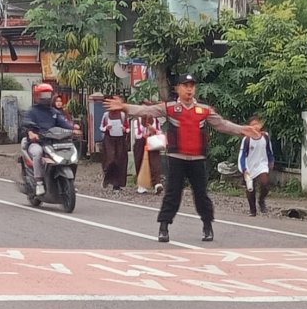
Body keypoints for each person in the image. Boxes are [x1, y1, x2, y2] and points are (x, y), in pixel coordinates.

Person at [105, 73, 260, 243]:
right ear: (177, 88)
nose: (189, 89)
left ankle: (207, 226)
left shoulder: (204, 109)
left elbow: (222, 124)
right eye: (185, 85)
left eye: (192, 86)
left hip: (197, 159)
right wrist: (124, 107)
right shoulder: (170, 107)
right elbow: (147, 111)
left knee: (201, 195)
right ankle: (163, 227)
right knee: (172, 193)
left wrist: (242, 130)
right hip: (176, 158)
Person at [22, 83, 78, 196]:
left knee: (70, 153)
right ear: (37, 96)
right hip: (37, 143)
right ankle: (39, 183)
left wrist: (73, 128)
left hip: (53, 142)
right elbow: (25, 123)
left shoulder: (54, 112)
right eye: (43, 94)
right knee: (37, 153)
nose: (46, 97)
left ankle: (69, 182)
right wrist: (31, 132)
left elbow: (64, 123)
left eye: (48, 94)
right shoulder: (32, 111)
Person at [238, 116, 274, 216]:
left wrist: (271, 161)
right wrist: (244, 169)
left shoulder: (265, 137)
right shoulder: (246, 140)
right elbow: (242, 156)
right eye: (252, 125)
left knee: (265, 183)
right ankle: (252, 210)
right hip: (249, 166)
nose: (255, 127)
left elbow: (269, 150)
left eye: (256, 124)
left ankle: (261, 200)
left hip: (262, 165)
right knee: (250, 189)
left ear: (260, 125)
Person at [133, 107, 164, 194]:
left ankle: (157, 183)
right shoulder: (138, 121)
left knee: (155, 162)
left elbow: (159, 132)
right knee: (140, 161)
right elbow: (137, 134)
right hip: (141, 143)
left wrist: (153, 130)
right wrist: (144, 134)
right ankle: (142, 184)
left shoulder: (155, 120)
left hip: (153, 142)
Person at [100, 102, 130, 191]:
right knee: (110, 159)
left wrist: (125, 129)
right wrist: (106, 128)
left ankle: (117, 184)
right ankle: (107, 178)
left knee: (120, 161)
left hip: (120, 140)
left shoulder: (122, 115)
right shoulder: (106, 115)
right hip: (109, 140)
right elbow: (101, 127)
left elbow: (128, 128)